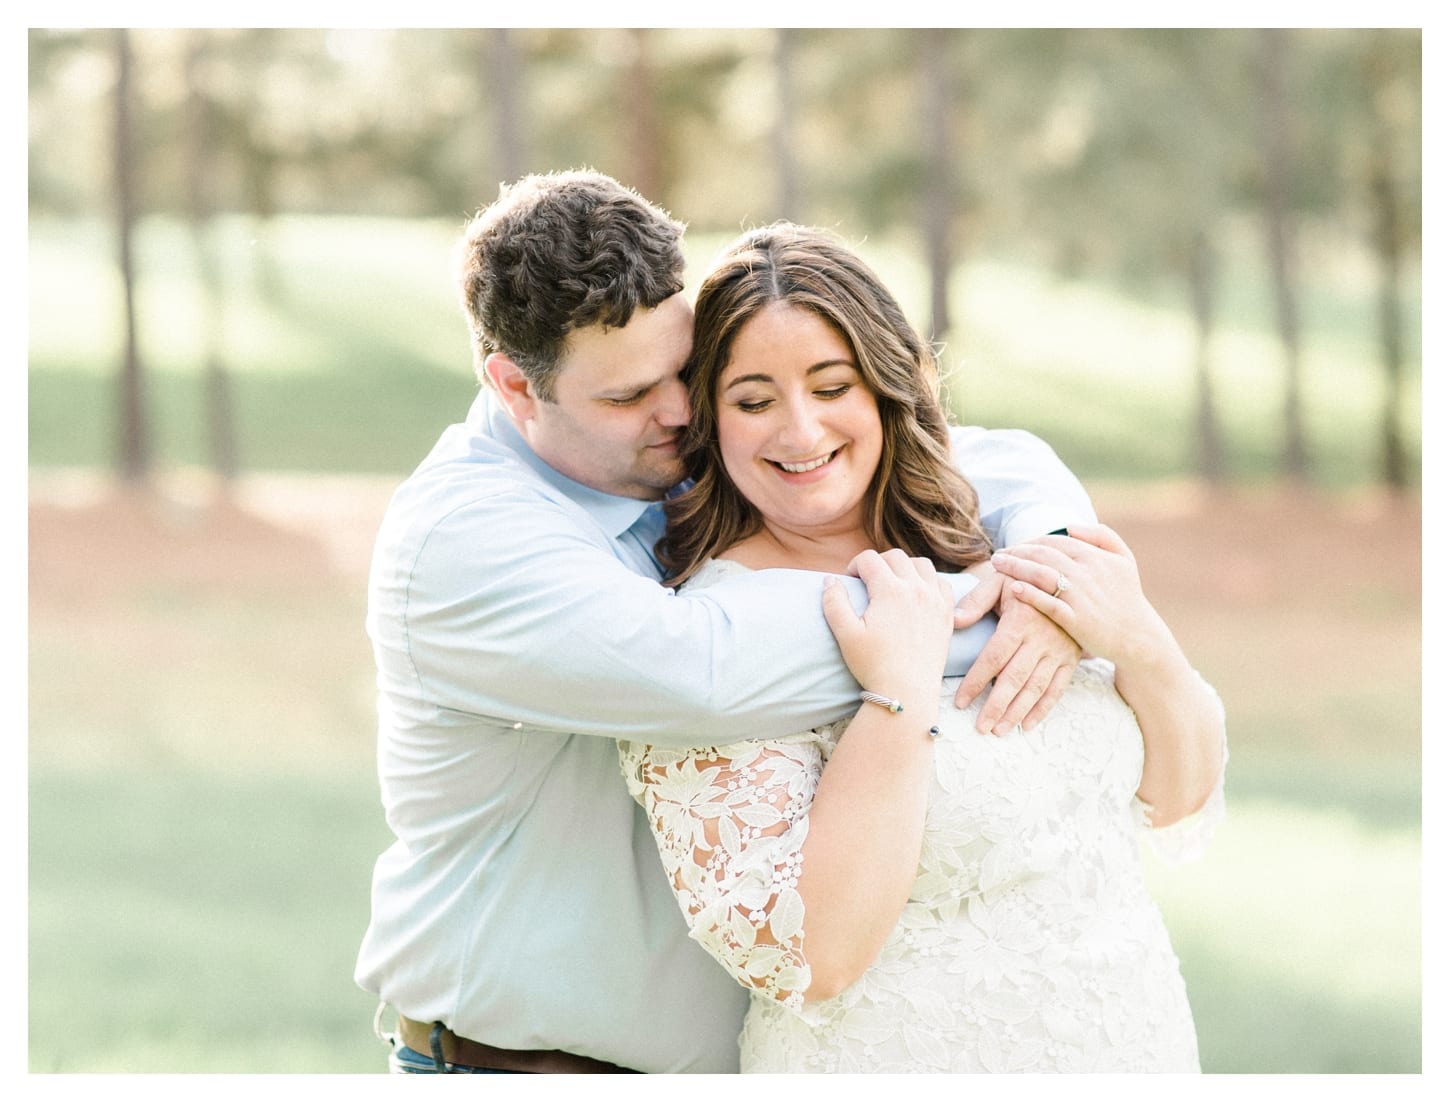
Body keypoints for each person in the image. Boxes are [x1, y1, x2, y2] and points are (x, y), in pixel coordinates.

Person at [355, 170, 1100, 1074]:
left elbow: (968, 456)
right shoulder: (465, 542)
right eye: (628, 396)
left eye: (683, 372)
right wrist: (1005, 606)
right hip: (513, 1066)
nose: (677, 414)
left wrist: (1056, 557)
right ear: (516, 386)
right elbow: (703, 672)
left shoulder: (654, 450)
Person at [620, 223, 1227, 1073]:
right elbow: (810, 958)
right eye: (754, 400)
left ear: (885, 384)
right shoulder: (710, 636)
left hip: (1134, 1044)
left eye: (832, 386)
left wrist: (1142, 646)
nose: (800, 431)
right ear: (709, 422)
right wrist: (894, 700)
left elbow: (1175, 800)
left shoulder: (997, 537)